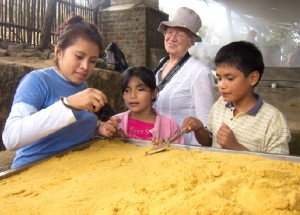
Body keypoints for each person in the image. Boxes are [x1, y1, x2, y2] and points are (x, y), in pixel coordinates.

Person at [2, 15, 120, 168]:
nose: (85, 66)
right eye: (79, 56)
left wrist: (98, 130)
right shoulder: (37, 81)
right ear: (59, 52)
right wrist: (68, 105)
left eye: (92, 61)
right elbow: (11, 138)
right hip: (34, 173)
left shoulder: (82, 86)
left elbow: (70, 135)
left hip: (72, 173)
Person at [182, 41, 291, 154]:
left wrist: (235, 147)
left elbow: (277, 167)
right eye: (219, 78)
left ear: (253, 78)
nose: (221, 85)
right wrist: (199, 128)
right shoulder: (220, 105)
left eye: (230, 78)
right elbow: (209, 142)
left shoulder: (273, 120)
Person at [154, 7, 215, 146]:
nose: (172, 38)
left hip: (185, 148)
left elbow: (205, 125)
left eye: (180, 34)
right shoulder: (161, 65)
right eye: (169, 32)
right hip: (158, 143)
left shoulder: (199, 72)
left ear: (191, 41)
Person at [112, 66, 184, 144]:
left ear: (154, 93)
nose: (132, 95)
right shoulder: (115, 123)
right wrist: (114, 140)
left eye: (140, 89)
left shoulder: (170, 126)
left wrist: (164, 149)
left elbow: (179, 154)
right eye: (127, 90)